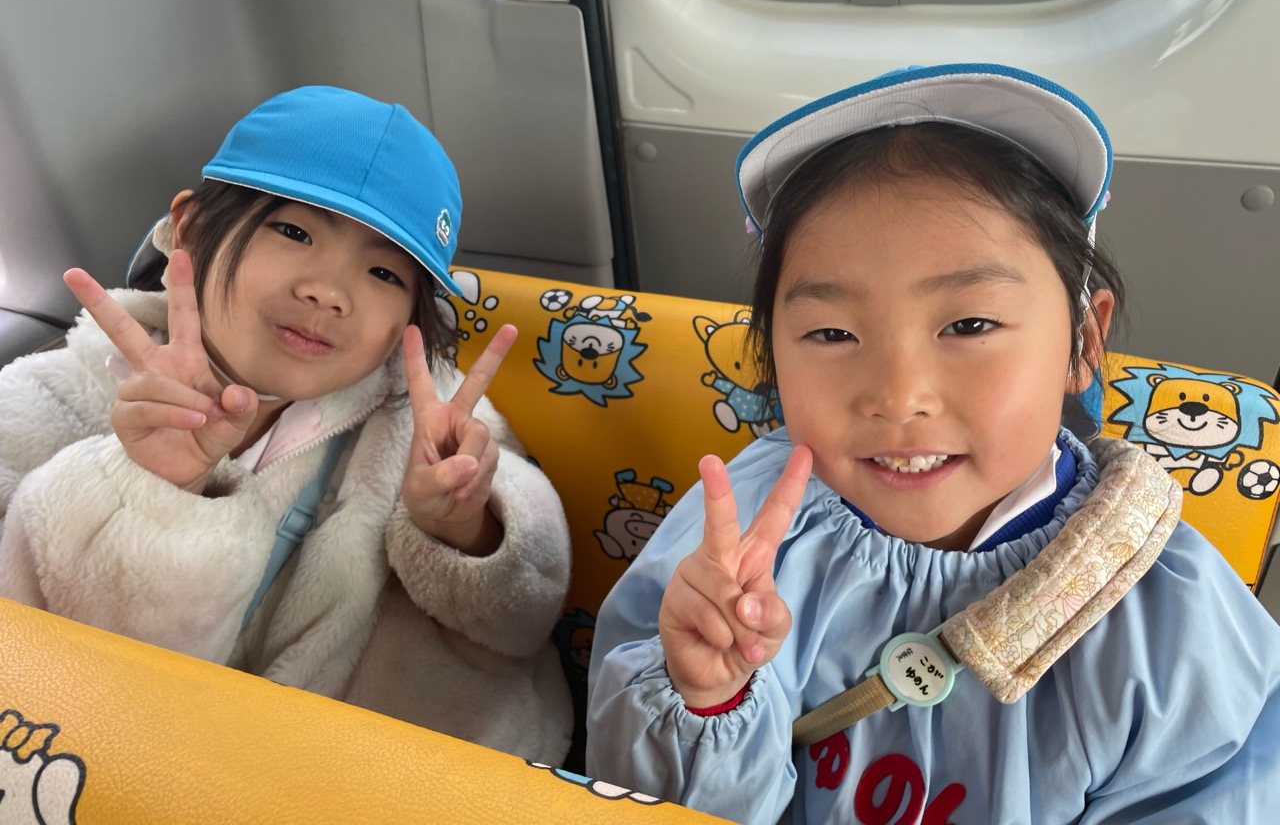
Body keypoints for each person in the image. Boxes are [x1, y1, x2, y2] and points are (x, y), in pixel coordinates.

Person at [586, 64, 1280, 822]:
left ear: (1083, 342)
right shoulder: (740, 530)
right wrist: (705, 701)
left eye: (969, 325)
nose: (898, 395)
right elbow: (622, 797)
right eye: (832, 333)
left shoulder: (1168, 616)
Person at [0, 86, 573, 765]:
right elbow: (39, 678)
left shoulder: (432, 417)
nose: (329, 291)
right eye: (295, 233)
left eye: (384, 271)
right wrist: (149, 492)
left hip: (371, 780)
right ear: (190, 229)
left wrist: (465, 527)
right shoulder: (41, 402)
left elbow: (521, 620)